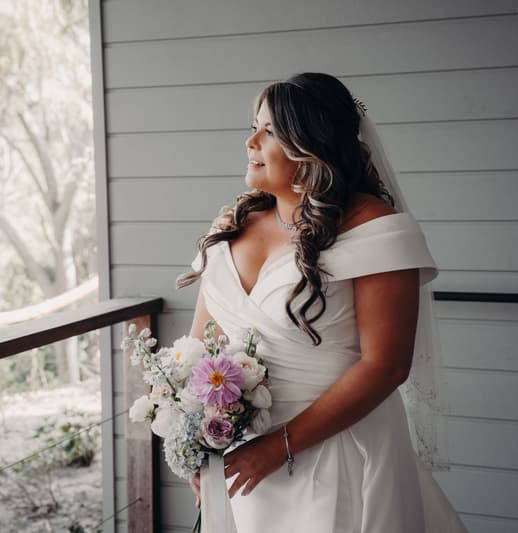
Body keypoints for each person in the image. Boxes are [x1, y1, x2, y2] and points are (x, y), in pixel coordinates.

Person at [176, 72, 467, 532]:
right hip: (242, 464)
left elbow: (386, 366)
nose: (250, 141)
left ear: (312, 144)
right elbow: (199, 346)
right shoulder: (234, 223)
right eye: (253, 127)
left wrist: (277, 448)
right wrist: (193, 441)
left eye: (269, 131)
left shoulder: (374, 228)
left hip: (336, 456)